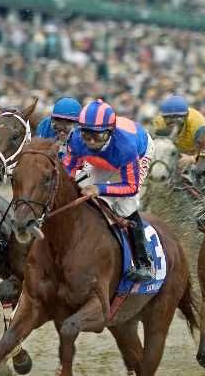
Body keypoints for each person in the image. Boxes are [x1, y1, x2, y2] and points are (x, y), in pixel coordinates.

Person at [63, 99, 155, 281]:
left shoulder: (126, 147)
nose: (90, 141)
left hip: (138, 151)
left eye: (96, 136)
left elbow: (131, 187)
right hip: (103, 158)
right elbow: (68, 172)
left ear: (109, 132)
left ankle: (143, 262)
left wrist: (99, 188)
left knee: (126, 206)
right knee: (78, 188)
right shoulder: (75, 138)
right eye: (86, 134)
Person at [152, 94, 205, 170]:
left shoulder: (198, 124)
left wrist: (192, 159)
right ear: (163, 117)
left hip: (195, 151)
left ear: (186, 116)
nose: (172, 122)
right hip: (172, 152)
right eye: (168, 118)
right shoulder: (159, 122)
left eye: (177, 118)